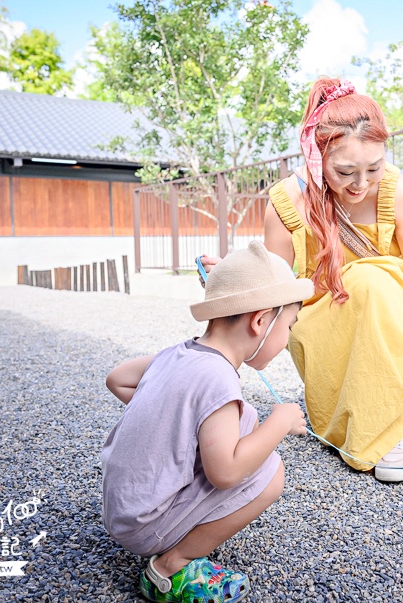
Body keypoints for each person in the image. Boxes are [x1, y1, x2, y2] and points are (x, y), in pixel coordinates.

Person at [202, 77, 403, 483]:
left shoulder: (398, 191)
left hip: (388, 317)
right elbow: (276, 286)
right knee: (355, 291)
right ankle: (358, 422)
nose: (361, 184)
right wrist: (234, 280)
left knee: (373, 280)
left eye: (374, 168)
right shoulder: (287, 202)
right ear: (316, 156)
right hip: (320, 322)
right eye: (345, 172)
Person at [101, 241, 313, 603]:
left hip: (122, 510)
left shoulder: (177, 354)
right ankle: (171, 566)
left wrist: (168, 417)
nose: (288, 339)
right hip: (146, 525)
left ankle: (171, 546)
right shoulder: (218, 377)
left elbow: (117, 378)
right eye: (289, 326)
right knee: (269, 473)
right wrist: (279, 422)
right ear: (260, 320)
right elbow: (226, 473)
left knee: (240, 428)